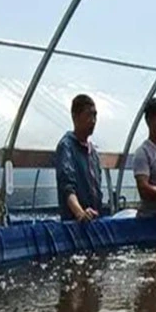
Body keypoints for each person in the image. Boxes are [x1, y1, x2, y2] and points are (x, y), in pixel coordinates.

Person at [55, 94, 104, 222]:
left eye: (95, 116)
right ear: (75, 117)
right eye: (89, 115)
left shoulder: (93, 152)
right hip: (75, 227)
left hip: (94, 221)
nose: (93, 120)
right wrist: (80, 213)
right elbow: (67, 187)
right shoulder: (67, 147)